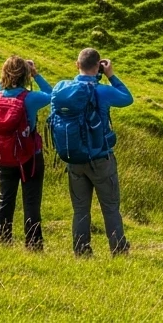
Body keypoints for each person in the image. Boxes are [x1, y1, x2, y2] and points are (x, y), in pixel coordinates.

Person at [52, 49, 133, 256]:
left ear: (76, 64)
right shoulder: (102, 91)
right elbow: (127, 98)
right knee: (110, 207)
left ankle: (81, 250)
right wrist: (111, 75)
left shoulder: (64, 90)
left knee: (80, 209)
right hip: (100, 158)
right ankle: (118, 249)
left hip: (74, 158)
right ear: (98, 66)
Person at [0, 56, 52, 249]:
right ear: (26, 75)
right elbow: (52, 94)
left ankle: (1, 239)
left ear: (4, 74)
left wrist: (6, 75)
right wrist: (36, 74)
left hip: (3, 156)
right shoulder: (31, 98)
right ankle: (33, 244)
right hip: (29, 156)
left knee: (5, 199)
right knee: (31, 201)